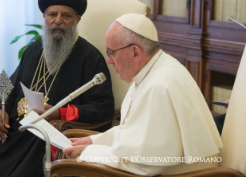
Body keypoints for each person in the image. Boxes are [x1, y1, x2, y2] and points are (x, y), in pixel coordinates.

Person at [0, 0, 114, 177]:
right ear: (44, 17)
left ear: (78, 19)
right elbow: (9, 85)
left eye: (66, 15)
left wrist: (59, 113)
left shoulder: (90, 58)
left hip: (49, 140)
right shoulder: (33, 49)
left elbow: (104, 107)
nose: (58, 21)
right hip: (17, 134)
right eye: (52, 14)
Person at [63, 13, 223, 176]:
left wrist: (87, 153)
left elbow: (143, 165)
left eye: (111, 52)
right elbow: (132, 133)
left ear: (135, 53)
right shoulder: (153, 71)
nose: (109, 60)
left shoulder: (159, 86)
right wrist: (93, 141)